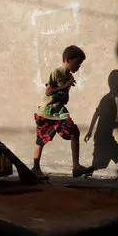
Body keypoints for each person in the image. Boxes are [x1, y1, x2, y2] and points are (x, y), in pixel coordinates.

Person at [32, 45, 94, 180]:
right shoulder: (56, 73)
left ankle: (76, 167)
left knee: (74, 132)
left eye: (80, 64)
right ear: (67, 59)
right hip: (46, 112)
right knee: (41, 140)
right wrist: (65, 86)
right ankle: (35, 168)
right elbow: (48, 92)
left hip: (59, 112)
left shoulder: (69, 76)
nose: (78, 67)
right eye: (77, 63)